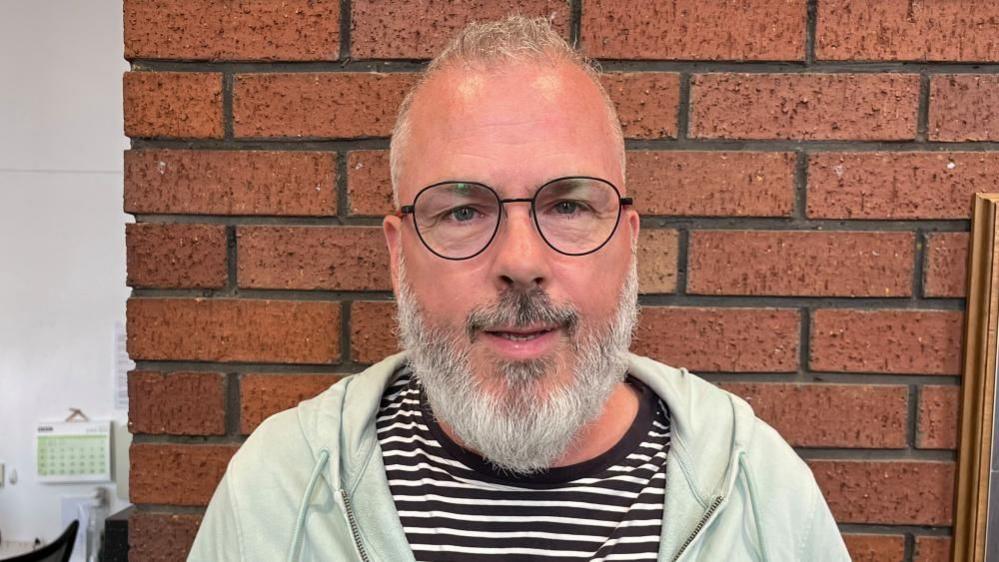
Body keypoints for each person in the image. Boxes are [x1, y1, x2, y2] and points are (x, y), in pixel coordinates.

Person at [189, 16, 850, 562]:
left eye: (566, 205)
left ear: (627, 241)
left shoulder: (759, 490)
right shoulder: (277, 493)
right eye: (461, 211)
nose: (521, 261)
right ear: (397, 254)